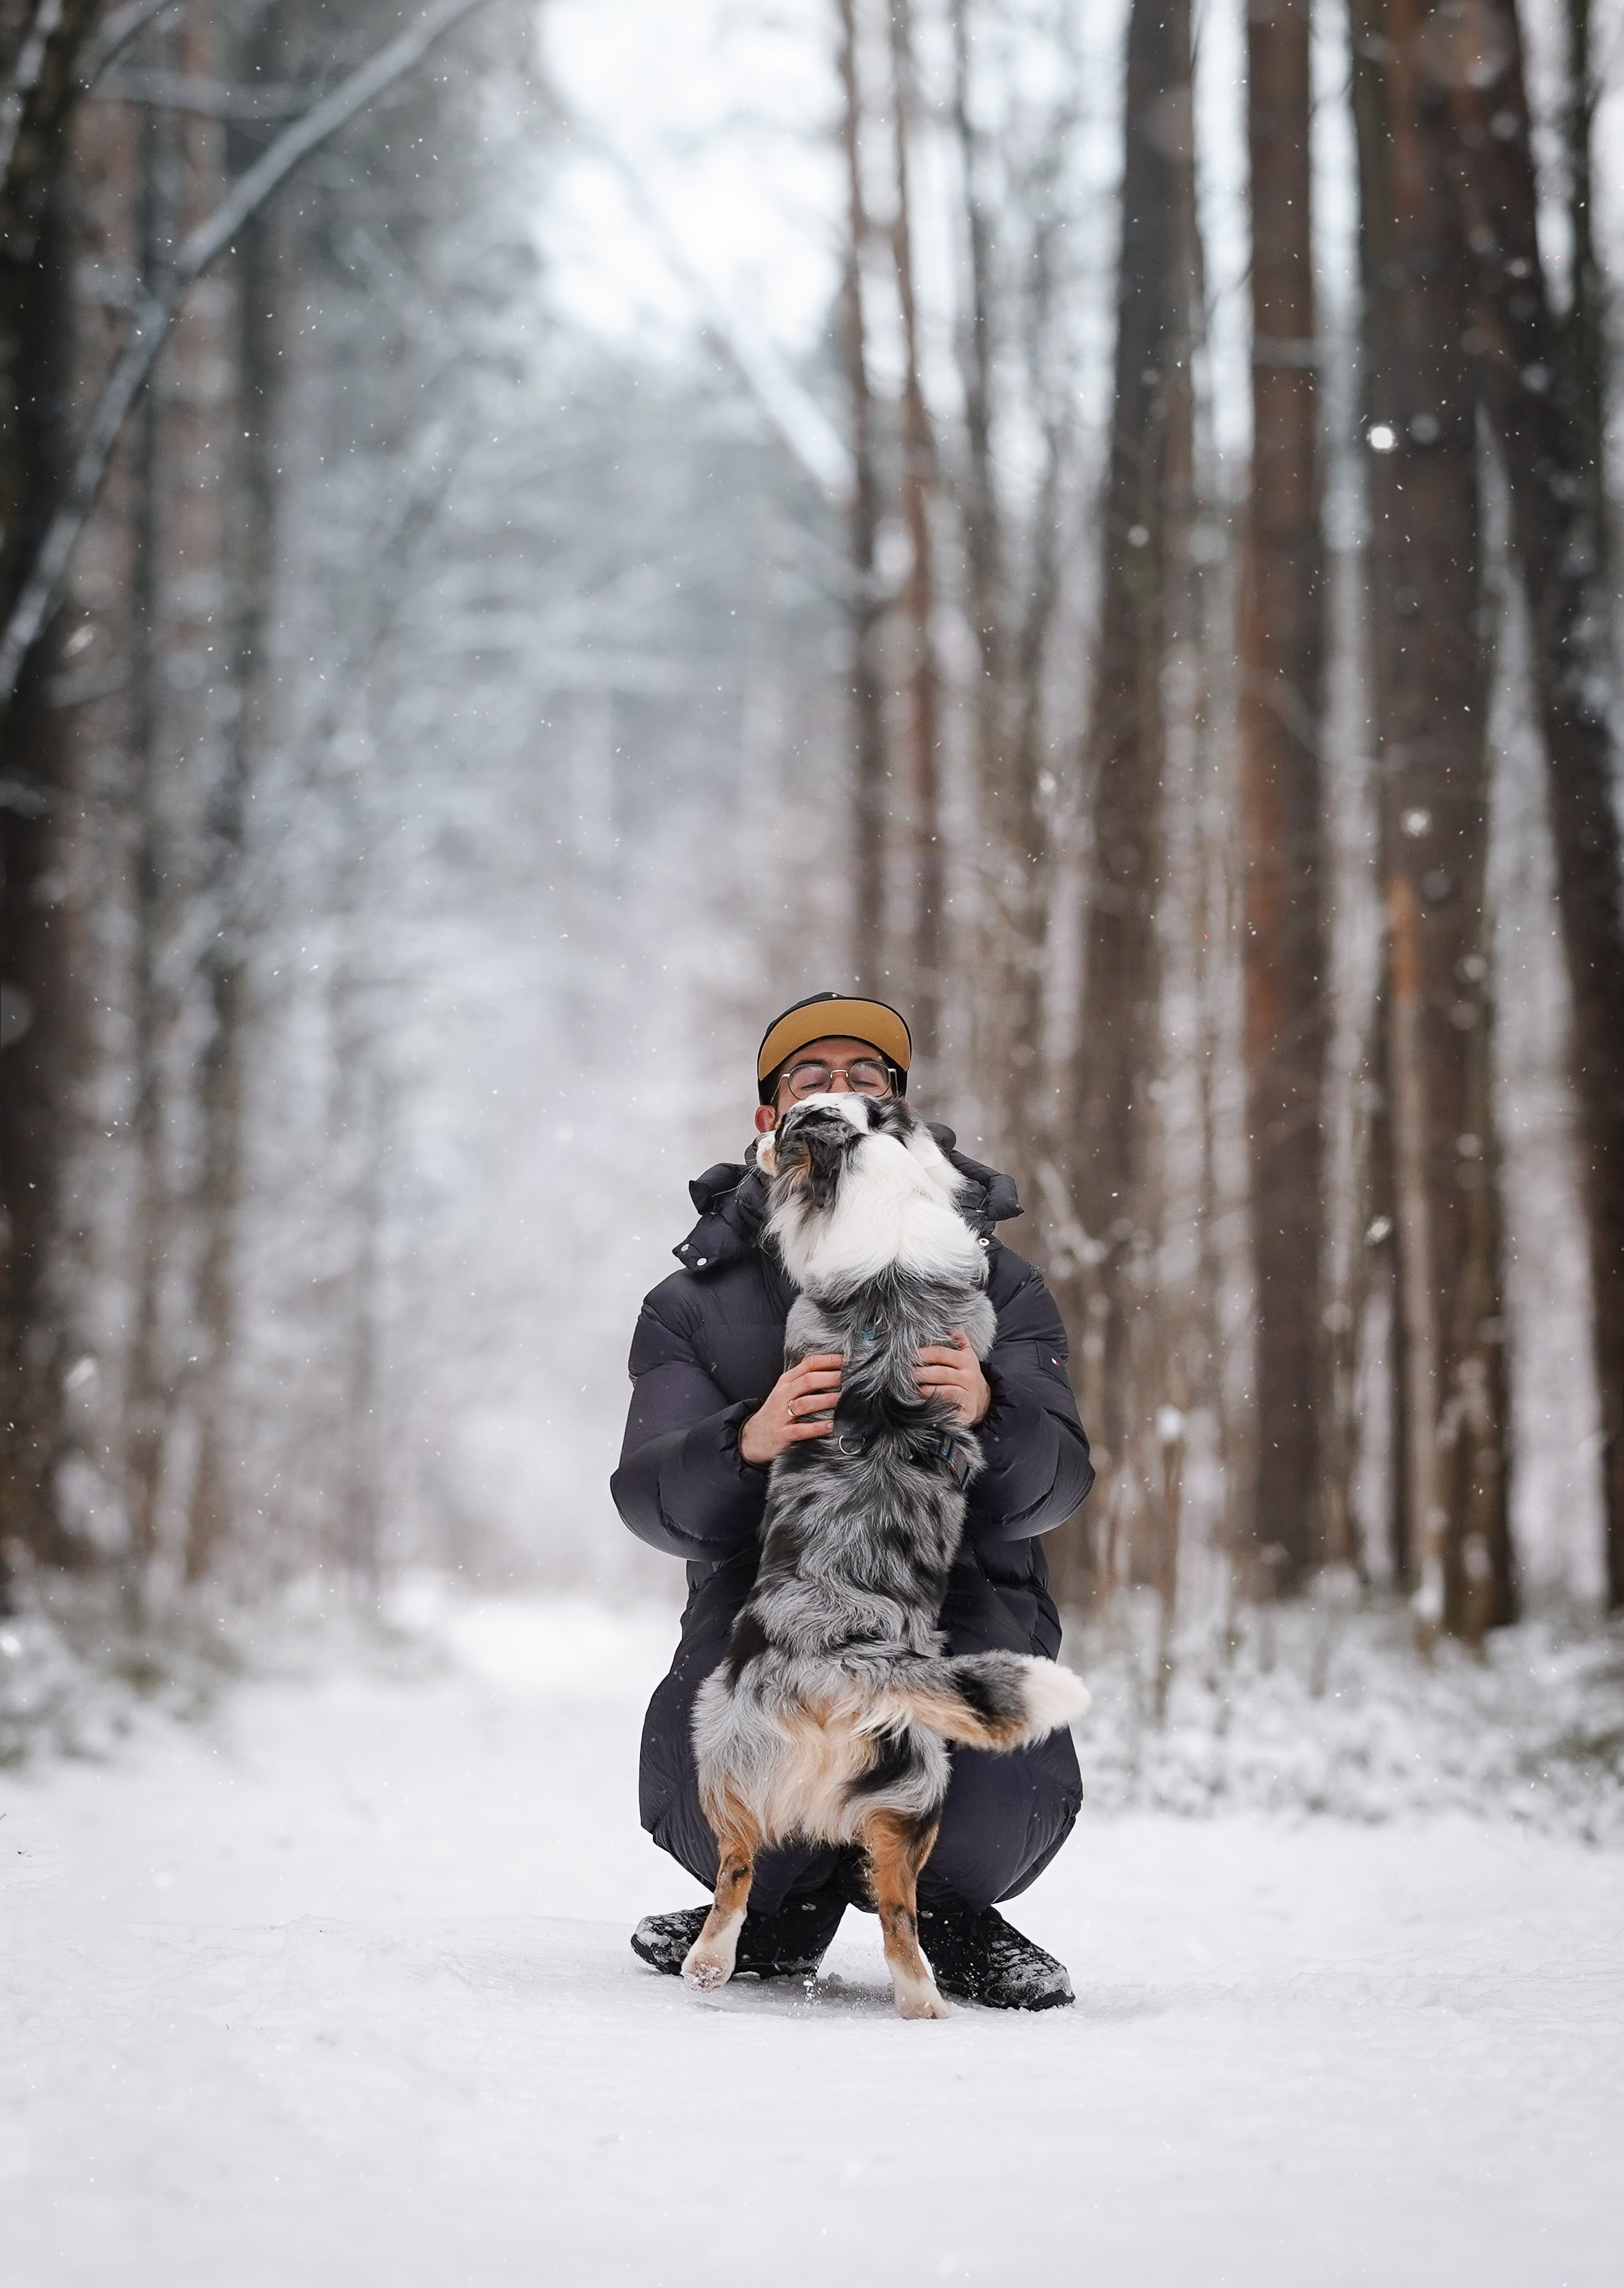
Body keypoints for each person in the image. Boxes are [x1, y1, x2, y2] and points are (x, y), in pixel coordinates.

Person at [611, 991, 1093, 2009]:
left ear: (899, 1115)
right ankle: (774, 1904)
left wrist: (990, 1408)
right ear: (766, 1119)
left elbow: (1055, 1485)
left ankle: (948, 1906)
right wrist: (747, 1441)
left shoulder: (991, 1279)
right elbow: (653, 1502)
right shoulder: (697, 1298)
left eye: (864, 1077)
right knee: (721, 1758)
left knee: (990, 1788)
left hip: (951, 1596)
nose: (838, 1092)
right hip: (767, 1605)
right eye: (808, 1078)